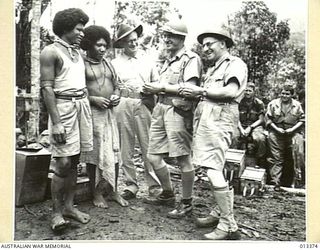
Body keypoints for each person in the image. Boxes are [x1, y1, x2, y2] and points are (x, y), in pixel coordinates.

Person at [179, 29, 247, 240]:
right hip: (209, 119)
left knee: (213, 169)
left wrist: (200, 91)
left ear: (224, 44)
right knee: (215, 168)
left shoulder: (234, 64)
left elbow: (230, 92)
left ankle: (228, 224)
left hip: (219, 118)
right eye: (203, 45)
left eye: (211, 44)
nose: (206, 48)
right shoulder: (213, 68)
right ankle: (220, 212)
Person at [143, 19, 202, 218]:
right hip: (161, 108)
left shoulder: (190, 59)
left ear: (181, 38)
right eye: (165, 35)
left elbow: (191, 89)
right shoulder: (168, 58)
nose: (166, 39)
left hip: (178, 111)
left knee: (183, 159)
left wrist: (161, 87)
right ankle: (167, 193)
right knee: (152, 156)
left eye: (171, 36)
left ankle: (186, 203)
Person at [40, 8, 92, 231]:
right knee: (62, 162)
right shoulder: (50, 52)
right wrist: (57, 122)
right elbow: (47, 89)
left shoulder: (77, 53)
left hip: (82, 107)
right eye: (78, 29)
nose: (82, 33)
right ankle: (56, 213)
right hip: (63, 109)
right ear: (65, 29)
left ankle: (70, 207)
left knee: (75, 161)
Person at [79, 25, 128, 208]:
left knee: (114, 152)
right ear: (88, 45)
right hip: (92, 114)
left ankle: (113, 190)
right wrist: (93, 100)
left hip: (110, 113)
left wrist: (116, 96)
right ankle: (96, 193)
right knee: (94, 155)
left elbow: (118, 85)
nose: (101, 49)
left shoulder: (108, 63)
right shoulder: (81, 64)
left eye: (104, 46)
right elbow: (78, 92)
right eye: (98, 45)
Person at [111, 23, 161, 200]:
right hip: (123, 103)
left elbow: (157, 83)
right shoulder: (114, 63)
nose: (133, 44)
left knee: (149, 145)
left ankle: (155, 186)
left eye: (135, 40)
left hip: (143, 102)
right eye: (128, 41)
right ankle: (131, 184)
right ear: (122, 43)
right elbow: (112, 86)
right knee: (126, 146)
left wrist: (151, 92)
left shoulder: (148, 60)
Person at [265, 84, 305, 190]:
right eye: (283, 93)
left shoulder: (297, 105)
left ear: (292, 95)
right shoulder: (273, 104)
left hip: (293, 132)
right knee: (276, 157)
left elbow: (302, 120)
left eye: (287, 94)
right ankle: (275, 181)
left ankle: (298, 182)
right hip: (276, 131)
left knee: (298, 154)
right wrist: (277, 129)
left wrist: (292, 130)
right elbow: (268, 120)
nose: (284, 96)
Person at [233, 82, 267, 166]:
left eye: (250, 91)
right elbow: (235, 117)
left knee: (260, 139)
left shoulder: (259, 103)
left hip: (255, 126)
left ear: (254, 92)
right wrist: (241, 128)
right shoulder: (238, 102)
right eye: (246, 90)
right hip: (240, 125)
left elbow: (261, 119)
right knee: (233, 137)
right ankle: (233, 162)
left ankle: (260, 161)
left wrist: (250, 127)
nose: (247, 93)